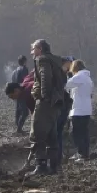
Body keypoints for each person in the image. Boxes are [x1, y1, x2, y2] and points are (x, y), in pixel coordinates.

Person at [28, 39, 66, 176]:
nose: (32, 52)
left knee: (37, 133)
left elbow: (45, 77)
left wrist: (44, 97)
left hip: (46, 103)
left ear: (40, 48)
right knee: (51, 134)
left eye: (33, 49)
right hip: (56, 102)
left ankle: (41, 166)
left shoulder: (42, 60)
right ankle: (54, 166)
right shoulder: (56, 61)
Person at [65, 60, 93, 161]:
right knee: (84, 133)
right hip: (86, 109)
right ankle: (85, 153)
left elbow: (66, 85)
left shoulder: (79, 76)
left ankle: (81, 153)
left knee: (76, 133)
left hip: (78, 109)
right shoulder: (88, 78)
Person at [54, 56, 74, 169]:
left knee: (58, 132)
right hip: (62, 106)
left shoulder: (66, 76)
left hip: (63, 107)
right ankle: (57, 156)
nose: (70, 66)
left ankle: (57, 156)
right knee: (57, 133)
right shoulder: (60, 75)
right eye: (69, 63)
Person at [12, 55, 30, 134]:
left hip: (15, 93)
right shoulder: (24, 69)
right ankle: (19, 128)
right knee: (25, 112)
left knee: (18, 111)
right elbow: (26, 81)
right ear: (25, 61)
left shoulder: (14, 71)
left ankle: (18, 127)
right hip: (22, 93)